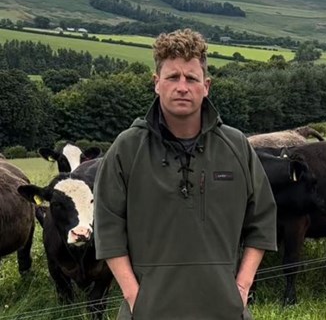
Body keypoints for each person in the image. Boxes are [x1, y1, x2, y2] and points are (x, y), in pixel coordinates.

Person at [93, 28, 277, 320]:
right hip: (147, 313)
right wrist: (134, 296)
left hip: (225, 311)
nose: (182, 86)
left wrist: (241, 286)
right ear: (156, 83)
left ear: (206, 86)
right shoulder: (127, 148)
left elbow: (263, 218)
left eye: (191, 78)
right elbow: (107, 225)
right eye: (172, 77)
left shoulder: (236, 145)